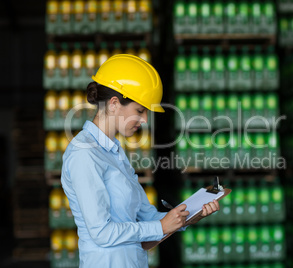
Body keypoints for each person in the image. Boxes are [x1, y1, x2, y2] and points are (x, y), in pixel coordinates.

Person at [61, 54, 219, 267]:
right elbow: (101, 233)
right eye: (140, 110)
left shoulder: (115, 153)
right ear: (114, 104)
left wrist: (190, 215)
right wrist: (161, 226)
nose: (145, 119)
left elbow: (147, 221)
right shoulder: (84, 154)